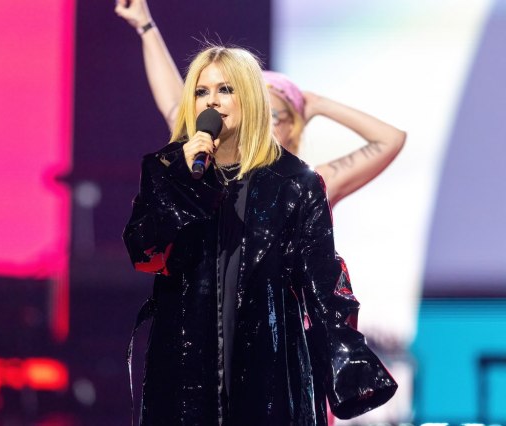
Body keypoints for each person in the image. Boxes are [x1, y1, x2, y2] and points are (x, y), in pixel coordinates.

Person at [122, 44, 396, 425]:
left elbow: (321, 283)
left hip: (269, 368)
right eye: (201, 91)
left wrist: (348, 363)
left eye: (225, 89)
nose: (211, 101)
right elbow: (143, 250)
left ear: (250, 97)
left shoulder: (294, 183)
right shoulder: (168, 170)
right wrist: (182, 180)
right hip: (185, 371)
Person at [115, 0, 406, 207]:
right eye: (254, 111)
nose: (260, 122)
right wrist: (145, 25)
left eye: (271, 115)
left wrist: (316, 103)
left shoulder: (310, 183)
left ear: (293, 127)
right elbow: (175, 104)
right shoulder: (209, 170)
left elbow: (390, 139)